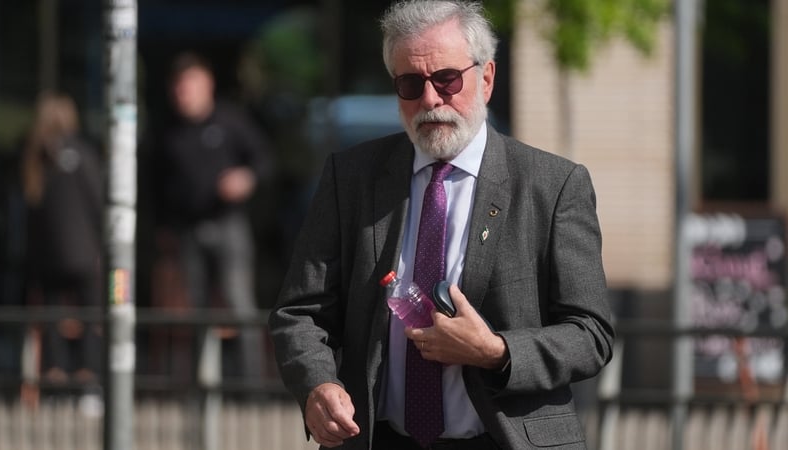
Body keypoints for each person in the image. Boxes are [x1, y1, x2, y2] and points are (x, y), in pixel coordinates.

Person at [268, 1, 615, 449]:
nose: (430, 99)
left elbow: (591, 333)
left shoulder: (552, 186)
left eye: (447, 80)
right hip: (383, 438)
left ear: (486, 78)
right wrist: (317, 386)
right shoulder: (352, 177)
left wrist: (497, 352)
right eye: (410, 84)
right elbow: (300, 312)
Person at [153, 51, 272, 381]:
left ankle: (250, 385)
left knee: (238, 303)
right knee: (196, 308)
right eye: (177, 87)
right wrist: (163, 227)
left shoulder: (230, 120)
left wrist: (245, 178)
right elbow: (157, 184)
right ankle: (202, 383)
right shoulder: (168, 131)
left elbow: (262, 160)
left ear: (207, 84)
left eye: (189, 85)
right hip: (187, 229)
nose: (183, 94)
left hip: (228, 223)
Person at [21, 91, 104, 387]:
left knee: (54, 315)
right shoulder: (81, 152)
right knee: (92, 315)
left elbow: (30, 209)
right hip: (83, 251)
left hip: (48, 254)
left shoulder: (35, 157)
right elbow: (98, 201)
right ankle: (88, 373)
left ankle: (55, 373)